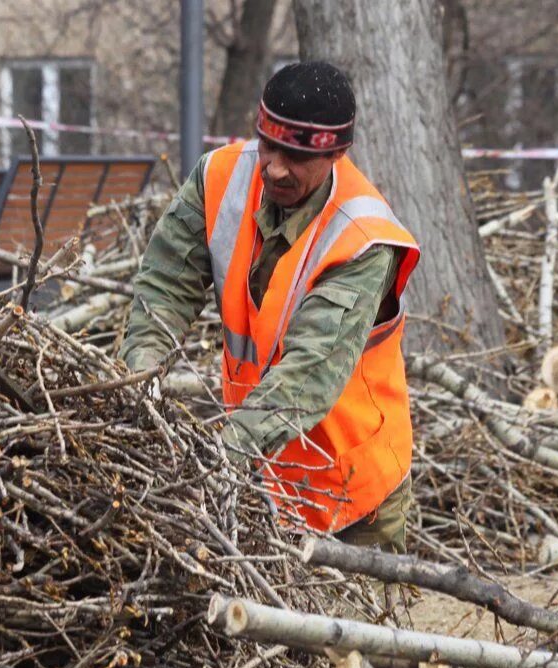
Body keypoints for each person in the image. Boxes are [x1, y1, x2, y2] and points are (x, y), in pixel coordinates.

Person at [119, 61, 419, 552]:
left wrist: (217, 458)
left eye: (296, 155)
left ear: (337, 153)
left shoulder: (362, 239)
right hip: (262, 477)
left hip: (351, 488)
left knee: (348, 629)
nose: (276, 166)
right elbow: (164, 289)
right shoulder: (219, 178)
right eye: (268, 144)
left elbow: (307, 376)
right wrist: (140, 381)